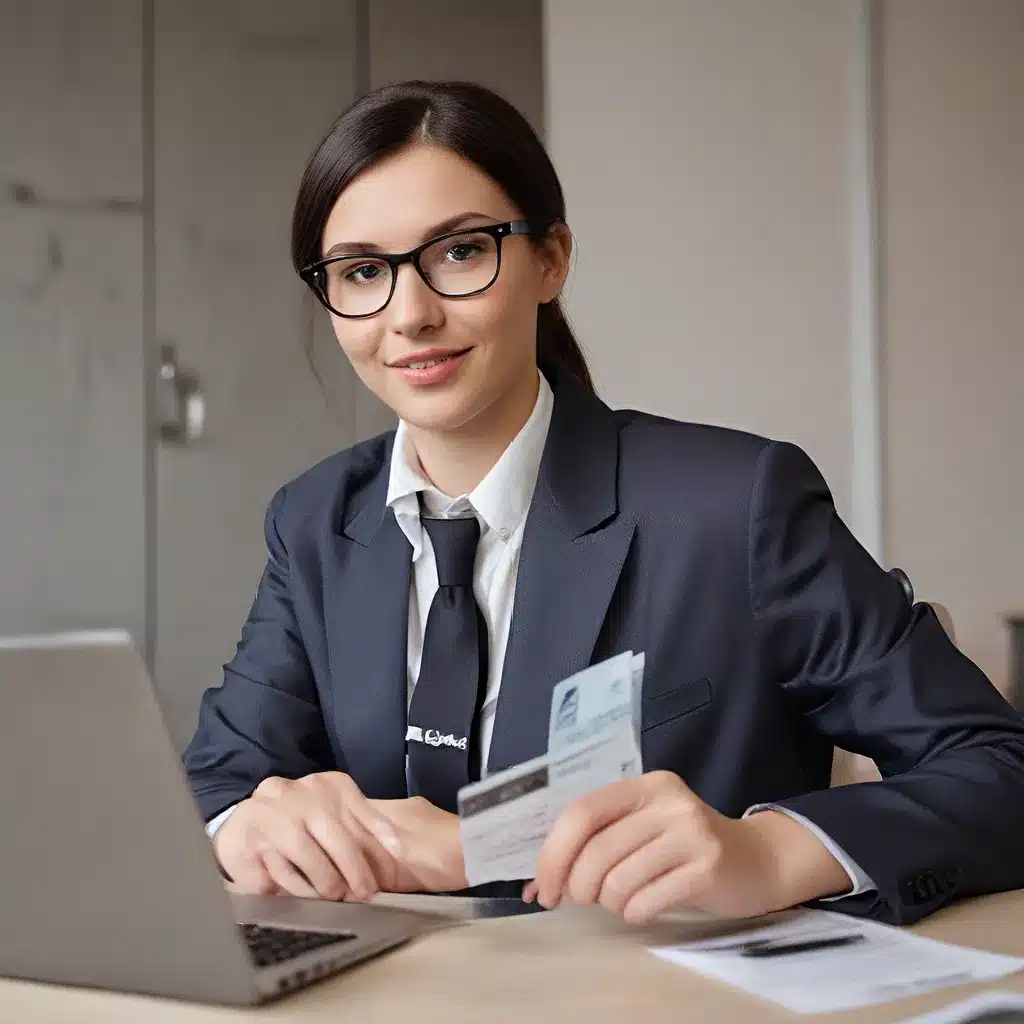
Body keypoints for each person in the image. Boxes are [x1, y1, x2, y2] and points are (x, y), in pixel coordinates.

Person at [183, 80, 1024, 927]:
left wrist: (769, 852)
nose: (409, 314)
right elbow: (214, 779)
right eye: (363, 271)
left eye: (461, 252)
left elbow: (998, 767)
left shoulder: (735, 507)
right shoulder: (316, 520)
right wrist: (242, 824)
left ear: (551, 258)